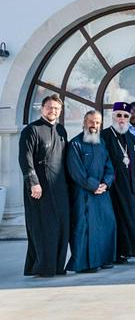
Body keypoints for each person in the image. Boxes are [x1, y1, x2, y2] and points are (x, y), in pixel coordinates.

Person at [19, 94, 70, 277]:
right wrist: (33, 183)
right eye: (50, 107)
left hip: (60, 188)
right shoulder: (31, 130)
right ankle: (42, 267)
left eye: (56, 108)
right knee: (42, 227)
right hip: (39, 189)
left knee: (62, 227)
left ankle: (57, 266)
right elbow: (25, 160)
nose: (53, 111)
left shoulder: (62, 130)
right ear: (42, 108)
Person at [66, 111, 116, 273]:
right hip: (83, 194)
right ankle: (85, 264)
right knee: (84, 228)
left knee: (107, 225)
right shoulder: (75, 144)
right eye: (91, 122)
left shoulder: (101, 143)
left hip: (102, 194)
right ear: (84, 122)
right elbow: (76, 172)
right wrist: (94, 186)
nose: (94, 126)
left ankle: (105, 259)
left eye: (98, 123)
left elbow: (110, 167)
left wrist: (105, 184)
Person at [101, 102, 135, 263]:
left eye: (125, 116)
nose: (122, 119)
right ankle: (112, 253)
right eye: (119, 115)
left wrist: (134, 185)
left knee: (128, 219)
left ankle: (126, 251)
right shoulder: (104, 136)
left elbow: (134, 164)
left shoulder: (132, 138)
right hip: (111, 188)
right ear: (113, 116)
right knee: (114, 221)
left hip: (129, 186)